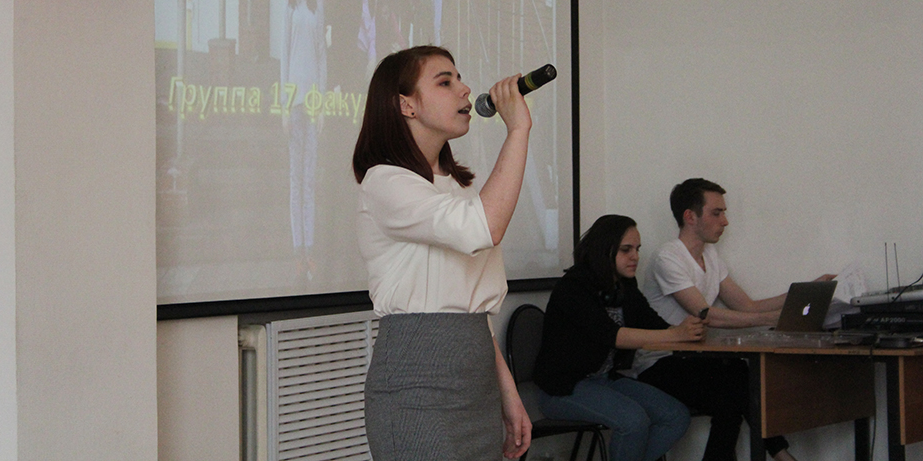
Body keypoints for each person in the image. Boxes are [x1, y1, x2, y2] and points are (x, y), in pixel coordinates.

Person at [353, 45, 533, 460]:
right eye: (445, 81)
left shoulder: (460, 188)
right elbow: (484, 227)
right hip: (416, 385)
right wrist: (518, 130)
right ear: (406, 105)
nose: (464, 89)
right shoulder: (385, 182)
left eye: (460, 78)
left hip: (476, 382)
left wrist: (508, 395)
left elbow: (472, 308)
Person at [636, 178, 834, 461]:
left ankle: (781, 455)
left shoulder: (710, 255)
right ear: (690, 217)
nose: (725, 221)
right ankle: (782, 455)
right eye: (716, 213)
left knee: (741, 377)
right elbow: (706, 314)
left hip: (694, 358)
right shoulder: (667, 257)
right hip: (659, 362)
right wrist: (774, 317)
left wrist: (804, 292)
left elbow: (747, 305)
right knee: (733, 393)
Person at [533, 215, 704, 461]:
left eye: (637, 249)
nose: (635, 256)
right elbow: (612, 336)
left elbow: (654, 324)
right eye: (626, 250)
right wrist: (675, 334)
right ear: (604, 249)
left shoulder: (624, 285)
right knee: (634, 421)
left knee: (675, 416)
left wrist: (687, 331)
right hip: (562, 388)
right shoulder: (573, 287)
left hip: (604, 380)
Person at [281, 0, 326, 278]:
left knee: (309, 178)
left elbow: (321, 54)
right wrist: (284, 104)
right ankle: (297, 249)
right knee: (295, 178)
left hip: (312, 102)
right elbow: (284, 52)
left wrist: (321, 103)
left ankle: (310, 250)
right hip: (293, 100)